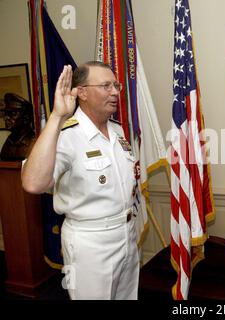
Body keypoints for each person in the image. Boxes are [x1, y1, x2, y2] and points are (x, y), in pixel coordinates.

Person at [21, 62, 139, 300]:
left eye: (116, 85)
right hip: (90, 243)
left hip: (127, 234)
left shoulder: (118, 132)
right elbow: (33, 183)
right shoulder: (65, 134)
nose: (115, 92)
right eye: (106, 85)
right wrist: (56, 117)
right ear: (82, 92)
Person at [0, 93, 36, 161]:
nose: (6, 118)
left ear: (26, 118)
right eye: (6, 114)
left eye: (12, 114)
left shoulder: (34, 142)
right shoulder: (8, 141)